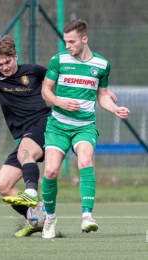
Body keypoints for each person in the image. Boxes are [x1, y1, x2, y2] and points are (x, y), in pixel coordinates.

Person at [0, 34, 117, 237]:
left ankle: (31, 192)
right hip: (25, 135)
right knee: (3, 186)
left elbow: (64, 80)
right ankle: (38, 216)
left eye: (7, 61)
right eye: (0, 63)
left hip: (44, 123)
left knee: (26, 151)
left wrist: (101, 91)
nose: (4, 66)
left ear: (15, 56)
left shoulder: (33, 71)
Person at [40, 19, 130, 239]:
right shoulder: (58, 60)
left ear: (84, 39)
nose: (67, 45)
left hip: (85, 126)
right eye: (65, 41)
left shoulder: (101, 65)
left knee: (85, 162)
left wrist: (115, 109)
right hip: (58, 126)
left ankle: (87, 217)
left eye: (72, 41)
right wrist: (60, 102)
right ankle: (50, 219)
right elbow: (46, 91)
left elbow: (102, 96)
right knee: (50, 171)